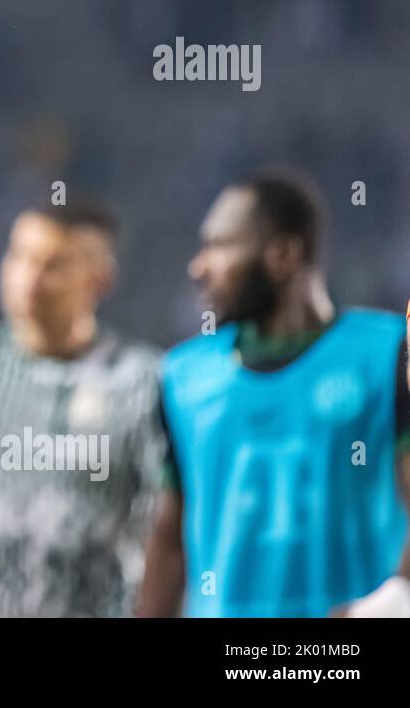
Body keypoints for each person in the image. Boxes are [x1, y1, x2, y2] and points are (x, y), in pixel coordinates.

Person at [137, 170, 410, 617]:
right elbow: (169, 539)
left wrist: (397, 597)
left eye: (220, 246)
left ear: (283, 255)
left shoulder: (387, 354)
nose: (199, 266)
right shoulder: (184, 375)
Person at [0, 201, 164, 616]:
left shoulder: (141, 383)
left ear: (100, 279)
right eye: (21, 258)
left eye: (54, 265)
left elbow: (166, 527)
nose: (30, 280)